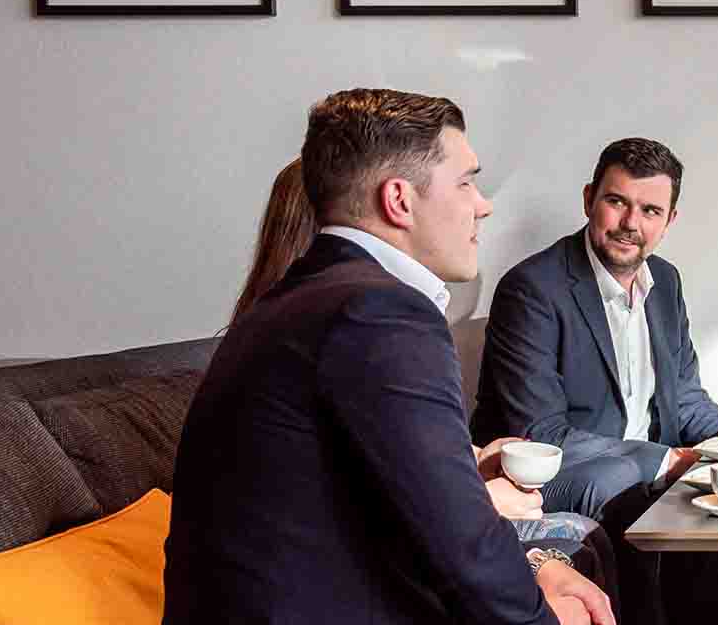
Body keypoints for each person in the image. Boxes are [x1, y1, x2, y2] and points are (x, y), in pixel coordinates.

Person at [164, 89, 708, 625]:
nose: (485, 203)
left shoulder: (308, 300)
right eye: (468, 180)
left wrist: (536, 569)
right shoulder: (381, 311)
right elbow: (456, 537)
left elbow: (413, 513)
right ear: (399, 199)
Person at [472, 137, 718, 625]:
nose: (629, 224)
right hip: (540, 469)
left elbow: (684, 396)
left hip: (634, 461)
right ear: (590, 200)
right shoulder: (534, 287)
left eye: (649, 211)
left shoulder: (664, 282)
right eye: (617, 203)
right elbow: (538, 428)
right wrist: (666, 458)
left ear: (669, 221)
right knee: (632, 480)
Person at [227, 157, 592, 549]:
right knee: (571, 539)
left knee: (579, 537)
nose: (480, 207)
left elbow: (393, 449)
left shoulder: (313, 323)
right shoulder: (346, 333)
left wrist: (477, 459)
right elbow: (344, 498)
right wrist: (484, 504)